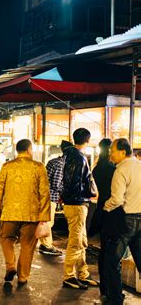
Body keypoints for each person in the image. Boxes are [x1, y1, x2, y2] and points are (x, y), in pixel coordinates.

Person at [0, 139, 51, 286]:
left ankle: (10, 266)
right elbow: (44, 193)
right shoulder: (38, 167)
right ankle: (23, 277)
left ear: (17, 151)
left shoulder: (7, 166)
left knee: (7, 239)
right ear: (29, 149)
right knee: (27, 245)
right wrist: (44, 217)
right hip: (31, 214)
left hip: (9, 212)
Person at [103, 138, 141, 303]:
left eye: (113, 150)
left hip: (125, 221)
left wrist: (106, 206)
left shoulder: (121, 170)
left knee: (111, 260)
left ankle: (116, 298)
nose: (110, 153)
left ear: (123, 152)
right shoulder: (140, 165)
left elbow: (117, 199)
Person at [61, 128, 99, 289]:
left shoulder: (68, 155)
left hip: (72, 203)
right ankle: (69, 275)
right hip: (77, 204)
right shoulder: (79, 158)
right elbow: (75, 182)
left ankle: (83, 273)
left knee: (81, 240)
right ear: (87, 141)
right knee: (76, 241)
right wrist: (88, 192)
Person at [88, 138, 116, 298]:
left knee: (104, 249)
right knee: (111, 252)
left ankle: (105, 288)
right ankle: (110, 289)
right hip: (112, 210)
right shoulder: (113, 169)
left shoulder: (97, 168)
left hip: (101, 210)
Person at [40, 140, 73, 256]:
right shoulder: (61, 164)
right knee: (48, 222)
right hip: (51, 196)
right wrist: (66, 191)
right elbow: (56, 184)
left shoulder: (53, 161)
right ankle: (46, 245)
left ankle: (45, 244)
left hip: (45, 195)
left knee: (46, 221)